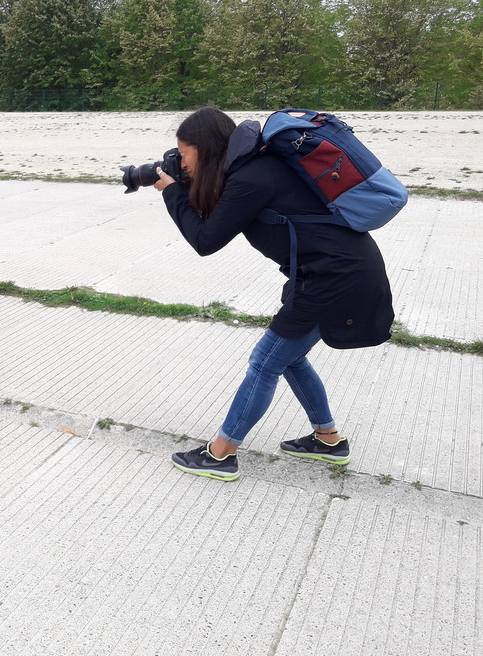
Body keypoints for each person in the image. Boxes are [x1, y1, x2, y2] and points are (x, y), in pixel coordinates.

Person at [154, 106, 394, 481]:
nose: (181, 162)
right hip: (334, 272)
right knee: (291, 359)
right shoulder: (252, 169)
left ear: (204, 148)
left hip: (333, 278)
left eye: (184, 153)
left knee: (265, 362)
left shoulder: (251, 178)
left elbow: (205, 240)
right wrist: (181, 186)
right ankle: (328, 440)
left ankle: (221, 454)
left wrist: (171, 192)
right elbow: (217, 216)